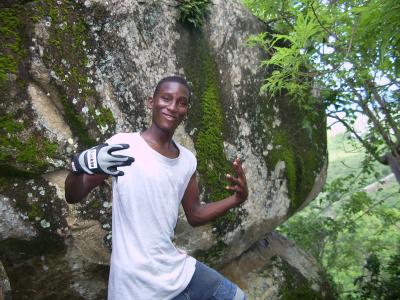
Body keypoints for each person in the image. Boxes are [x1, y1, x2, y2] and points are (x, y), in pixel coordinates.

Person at [65, 75, 248, 300]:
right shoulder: (124, 146)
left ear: (186, 110)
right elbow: (74, 195)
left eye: (181, 102)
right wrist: (77, 166)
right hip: (134, 286)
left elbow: (195, 214)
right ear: (151, 102)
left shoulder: (187, 160)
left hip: (177, 271)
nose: (173, 107)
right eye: (166, 98)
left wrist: (237, 199)